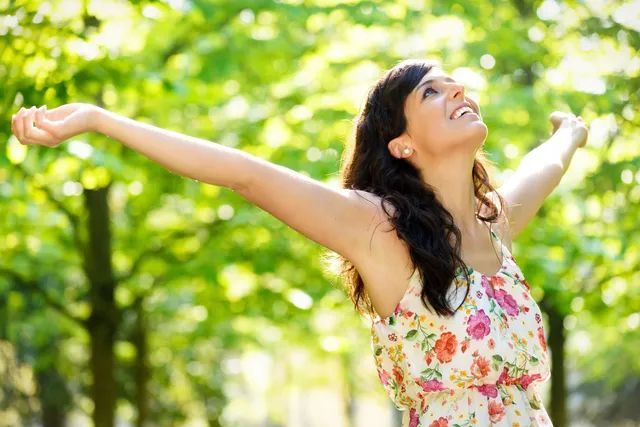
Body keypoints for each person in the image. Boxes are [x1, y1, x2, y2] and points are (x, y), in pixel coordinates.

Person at [11, 58, 588, 426]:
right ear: (402, 145)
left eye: (452, 82)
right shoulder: (379, 229)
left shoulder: (495, 223)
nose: (456, 88)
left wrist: (572, 132)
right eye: (431, 93)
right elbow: (246, 174)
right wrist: (97, 120)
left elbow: (549, 163)